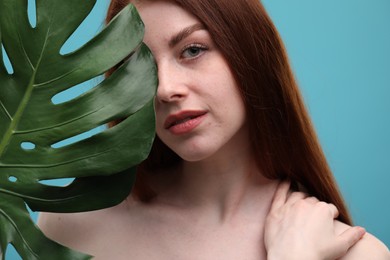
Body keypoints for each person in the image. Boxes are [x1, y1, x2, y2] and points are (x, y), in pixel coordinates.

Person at [38, 0, 389, 259]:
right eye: (138, 65)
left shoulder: (349, 252)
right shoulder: (74, 222)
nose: (165, 89)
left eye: (192, 50)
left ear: (250, 55)